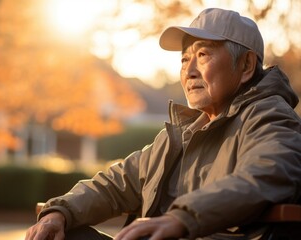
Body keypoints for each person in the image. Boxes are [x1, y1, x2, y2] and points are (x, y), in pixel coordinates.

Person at [25, 8, 301, 240]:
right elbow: (117, 182)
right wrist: (60, 211)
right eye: (184, 59)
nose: (189, 71)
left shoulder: (268, 117)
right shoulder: (180, 135)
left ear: (246, 66)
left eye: (203, 55)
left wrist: (183, 217)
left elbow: (263, 175)